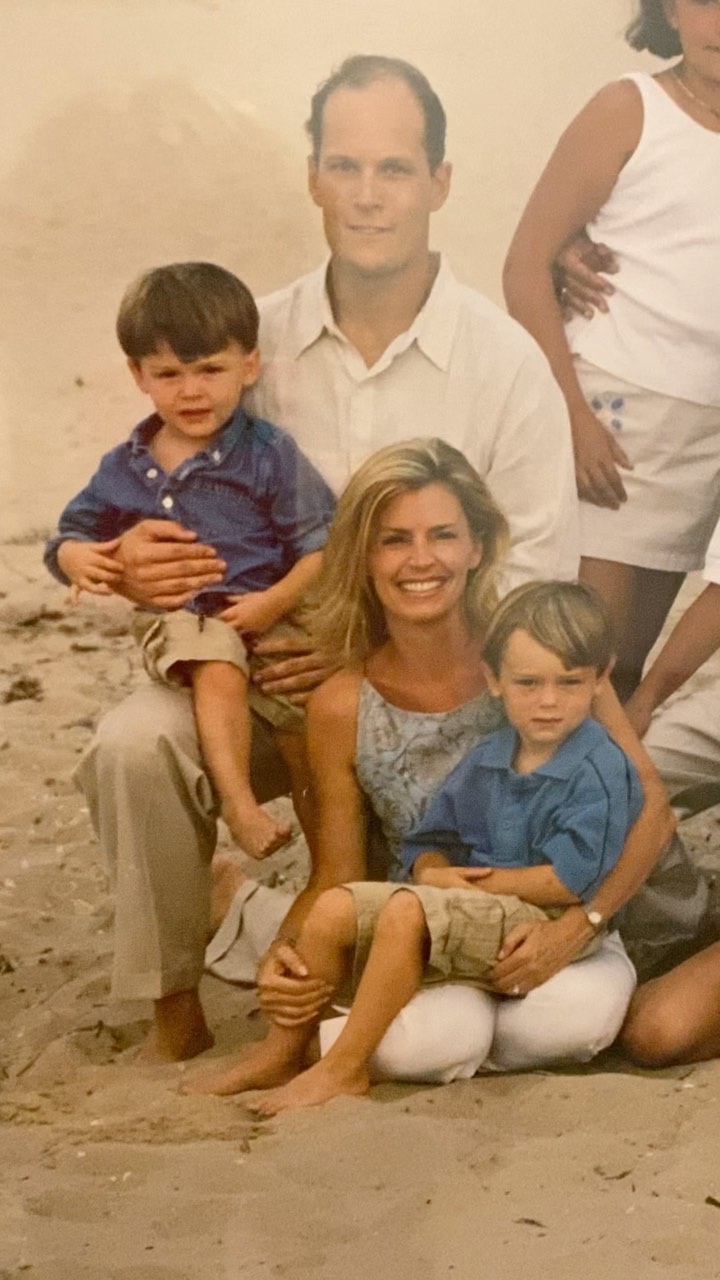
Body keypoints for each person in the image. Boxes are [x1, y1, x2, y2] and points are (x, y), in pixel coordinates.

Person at [77, 55, 582, 1061]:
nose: (367, 195)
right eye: (344, 166)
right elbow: (171, 489)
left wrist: (372, 659)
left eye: (395, 168)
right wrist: (134, 557)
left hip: (432, 702)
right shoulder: (247, 341)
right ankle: (173, 997)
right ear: (312, 177)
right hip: (266, 682)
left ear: (440, 182)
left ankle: (246, 907)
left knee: (400, 946)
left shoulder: (502, 362)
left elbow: (538, 577)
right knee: (134, 744)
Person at [188, 439, 676, 1097]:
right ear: (363, 556)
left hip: (560, 921)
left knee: (568, 1025)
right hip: (422, 934)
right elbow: (338, 872)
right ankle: (264, 929)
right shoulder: (342, 703)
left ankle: (260, 923)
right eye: (395, 540)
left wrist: (576, 929)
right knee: (432, 1045)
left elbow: (652, 806)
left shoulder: (538, 656)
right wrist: (287, 953)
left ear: (478, 546)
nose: (421, 559)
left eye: (443, 535)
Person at [46, 262, 334, 864]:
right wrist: (76, 558)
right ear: (138, 375)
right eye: (168, 374)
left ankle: (329, 860)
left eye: (210, 370)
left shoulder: (269, 454)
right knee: (215, 656)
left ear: (249, 366)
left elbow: (321, 545)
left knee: (307, 725)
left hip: (268, 614)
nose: (191, 392)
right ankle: (238, 805)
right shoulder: (125, 466)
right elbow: (71, 534)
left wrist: (274, 603)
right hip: (184, 624)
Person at [503, 0, 720, 702]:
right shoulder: (630, 109)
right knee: (574, 659)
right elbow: (526, 266)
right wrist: (573, 418)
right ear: (670, 10)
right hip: (612, 416)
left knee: (621, 670)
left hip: (704, 439)